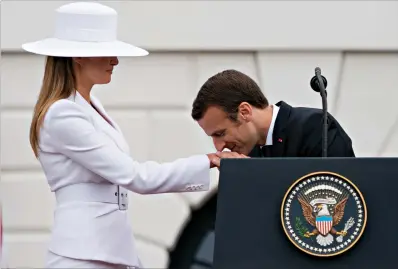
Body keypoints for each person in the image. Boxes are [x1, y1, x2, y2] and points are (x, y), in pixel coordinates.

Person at [22, 2, 243, 269]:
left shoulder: (88, 107)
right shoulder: (63, 114)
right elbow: (134, 176)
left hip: (106, 248)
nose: (114, 61)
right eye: (106, 53)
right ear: (78, 56)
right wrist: (209, 160)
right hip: (82, 253)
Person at [191, 69, 355, 159]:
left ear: (245, 111)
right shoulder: (248, 151)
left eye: (220, 133)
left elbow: (337, 196)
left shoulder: (315, 127)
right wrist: (236, 178)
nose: (219, 147)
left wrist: (252, 175)